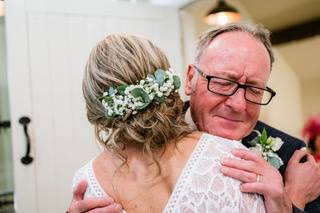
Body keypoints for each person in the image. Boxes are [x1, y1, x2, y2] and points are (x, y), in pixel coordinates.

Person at [69, 23, 320, 213]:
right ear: (190, 79)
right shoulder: (138, 127)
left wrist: (290, 202)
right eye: (223, 82)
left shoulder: (292, 158)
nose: (238, 104)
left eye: (254, 89)